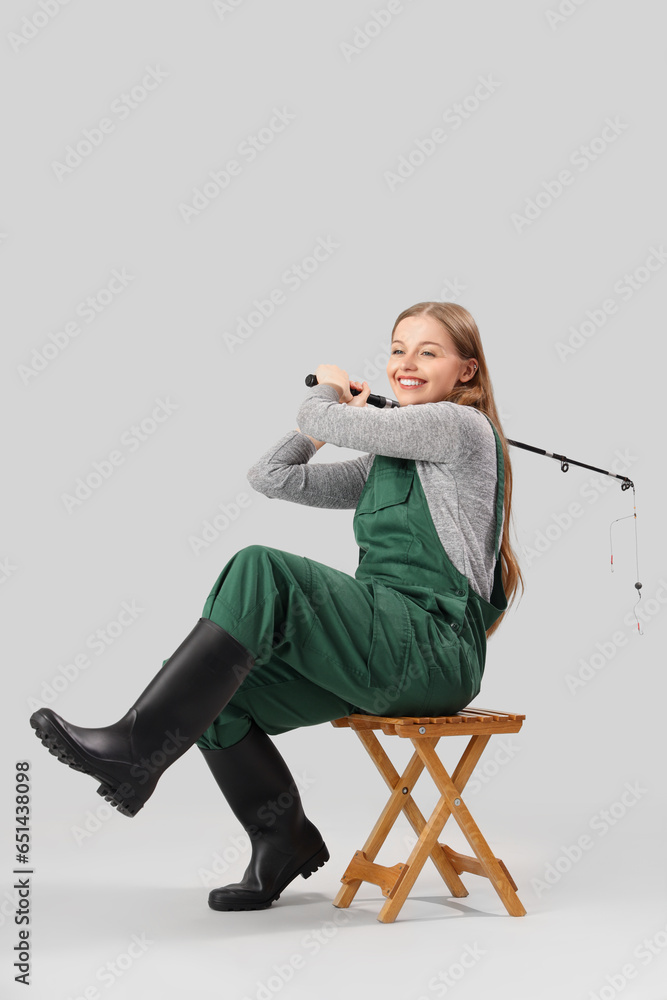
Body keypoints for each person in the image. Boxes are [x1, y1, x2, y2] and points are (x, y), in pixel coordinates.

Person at [29, 300, 523, 913]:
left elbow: (328, 414)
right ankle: (281, 840)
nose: (406, 363)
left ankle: (135, 746)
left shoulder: (459, 428)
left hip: (431, 648)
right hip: (383, 645)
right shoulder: (386, 458)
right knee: (218, 696)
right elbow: (271, 476)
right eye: (398, 349)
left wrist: (329, 394)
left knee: (259, 568)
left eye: (428, 352)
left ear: (466, 372)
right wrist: (320, 425)